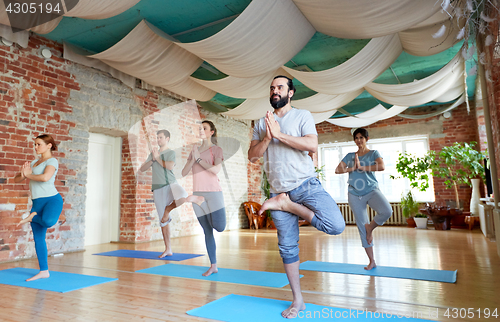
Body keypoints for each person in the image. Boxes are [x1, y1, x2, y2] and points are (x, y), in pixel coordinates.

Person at [248, 76, 345, 319]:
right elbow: (252, 154)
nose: (274, 91)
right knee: (287, 248)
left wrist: (279, 134)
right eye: (272, 88)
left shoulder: (303, 116)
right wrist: (268, 138)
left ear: (290, 93)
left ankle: (287, 205)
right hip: (277, 189)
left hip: (306, 185)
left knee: (336, 225)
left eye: (280, 87)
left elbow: (311, 145)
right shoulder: (262, 123)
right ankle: (298, 300)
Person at [335, 128, 392, 270]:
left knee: (387, 211)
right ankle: (372, 261)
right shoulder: (350, 156)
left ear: (367, 138)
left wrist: (362, 166)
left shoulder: (373, 153)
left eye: (361, 137)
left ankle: (370, 227)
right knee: (361, 226)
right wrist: (352, 168)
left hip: (372, 190)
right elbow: (337, 170)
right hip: (354, 193)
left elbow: (382, 166)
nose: (359, 140)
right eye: (356, 138)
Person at [14, 134, 64, 281]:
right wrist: (24, 174)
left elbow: (45, 178)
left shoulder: (52, 161)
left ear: (49, 146)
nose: (36, 147)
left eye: (39, 144)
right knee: (38, 238)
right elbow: (17, 179)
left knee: (48, 222)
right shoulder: (34, 163)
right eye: (35, 144)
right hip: (37, 203)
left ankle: (35, 217)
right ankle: (44, 271)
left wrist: (28, 175)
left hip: (51, 200)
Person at [182, 120, 225, 277]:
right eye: (199, 128)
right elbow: (184, 172)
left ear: (211, 132)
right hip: (198, 192)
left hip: (213, 193)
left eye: (204, 128)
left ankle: (198, 201)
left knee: (219, 227)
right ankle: (213, 265)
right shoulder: (194, 150)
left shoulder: (216, 150)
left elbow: (216, 170)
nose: (201, 130)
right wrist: (193, 159)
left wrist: (199, 160)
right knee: (207, 230)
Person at [140, 129, 189, 258]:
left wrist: (157, 158)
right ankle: (168, 249)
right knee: (163, 221)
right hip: (157, 188)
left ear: (167, 139)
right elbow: (142, 169)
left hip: (171, 184)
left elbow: (170, 166)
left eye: (160, 137)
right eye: (157, 137)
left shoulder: (170, 152)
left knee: (183, 197)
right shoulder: (153, 154)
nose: (158, 140)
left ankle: (168, 209)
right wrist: (152, 159)